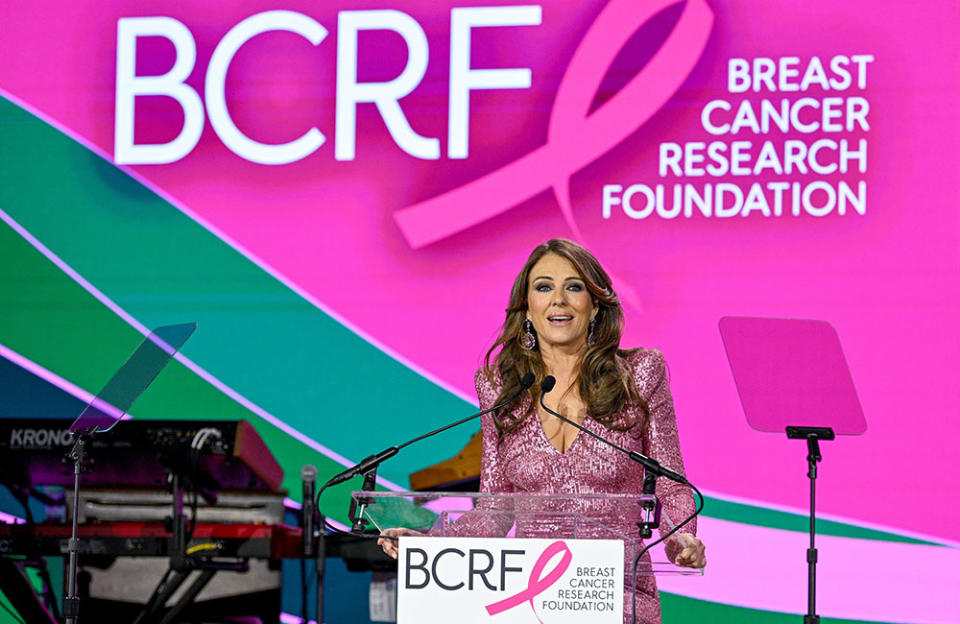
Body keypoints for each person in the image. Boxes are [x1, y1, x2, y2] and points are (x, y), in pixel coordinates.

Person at [381, 238, 705, 623]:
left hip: (617, 594)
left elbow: (671, 484)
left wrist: (680, 539)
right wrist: (434, 547)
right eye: (544, 287)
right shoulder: (501, 387)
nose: (559, 300)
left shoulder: (639, 374)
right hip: (532, 596)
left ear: (596, 305)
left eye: (574, 286)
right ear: (528, 308)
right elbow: (495, 509)